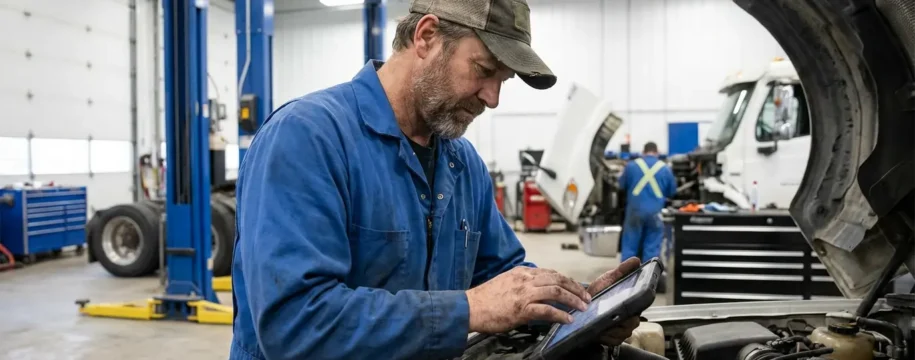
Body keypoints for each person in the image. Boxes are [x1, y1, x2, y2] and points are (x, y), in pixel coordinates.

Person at [230, 1, 642, 359]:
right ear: (426, 36)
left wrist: (582, 308)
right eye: (484, 70)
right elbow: (295, 324)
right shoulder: (307, 139)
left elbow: (503, 277)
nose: (492, 98)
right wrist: (468, 310)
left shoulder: (462, 164)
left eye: (503, 81)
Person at [618, 142, 677, 262]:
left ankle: (625, 278)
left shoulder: (631, 166)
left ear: (643, 152)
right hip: (655, 213)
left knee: (630, 246)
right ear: (657, 152)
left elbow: (621, 185)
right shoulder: (665, 168)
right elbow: (672, 192)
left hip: (634, 212)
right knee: (652, 247)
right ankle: (648, 278)